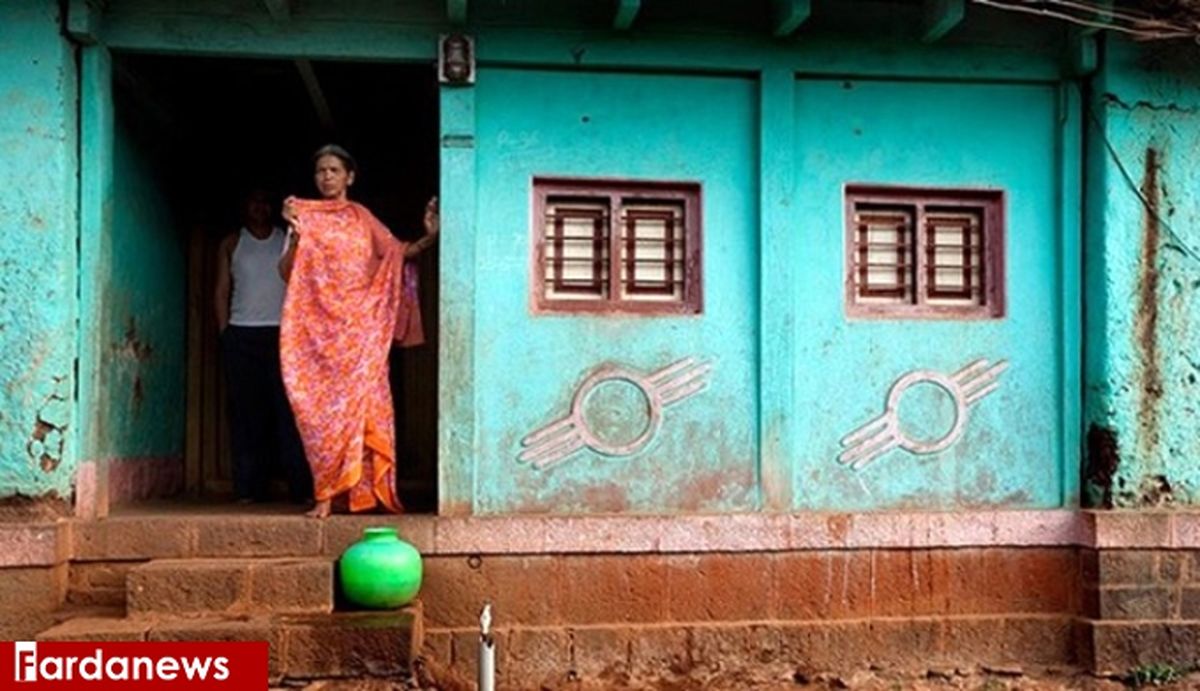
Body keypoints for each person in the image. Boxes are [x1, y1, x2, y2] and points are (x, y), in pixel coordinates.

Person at [279, 144, 438, 518]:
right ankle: (327, 495)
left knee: (366, 408)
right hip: (317, 334)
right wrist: (296, 234)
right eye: (321, 171)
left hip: (361, 332)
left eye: (335, 170)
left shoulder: (361, 217)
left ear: (349, 177)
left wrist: (430, 236)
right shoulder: (303, 216)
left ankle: (372, 495)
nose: (327, 177)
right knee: (320, 411)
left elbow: (399, 253)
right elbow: (287, 274)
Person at [214, 188, 312, 505]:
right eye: (253, 200)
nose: (259, 207)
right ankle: (248, 489)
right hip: (242, 335)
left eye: (264, 201)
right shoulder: (232, 243)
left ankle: (300, 488)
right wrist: (225, 333)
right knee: (246, 415)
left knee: (288, 414)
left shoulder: (286, 239)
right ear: (245, 206)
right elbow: (221, 290)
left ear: (272, 207)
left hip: (283, 335)